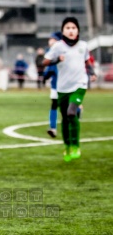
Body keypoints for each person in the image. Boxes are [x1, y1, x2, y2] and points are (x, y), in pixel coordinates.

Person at [43, 16, 96, 162]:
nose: (71, 31)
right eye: (68, 28)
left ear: (78, 30)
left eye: (74, 28)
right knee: (65, 118)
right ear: (63, 31)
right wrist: (56, 60)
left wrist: (92, 73)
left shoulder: (83, 45)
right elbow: (44, 62)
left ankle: (75, 146)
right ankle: (67, 145)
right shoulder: (58, 46)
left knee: (72, 112)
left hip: (79, 85)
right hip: (62, 87)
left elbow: (87, 62)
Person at [43, 31, 62, 137]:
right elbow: (49, 68)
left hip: (66, 84)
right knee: (54, 104)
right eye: (50, 39)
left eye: (53, 39)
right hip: (55, 84)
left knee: (68, 106)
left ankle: (78, 109)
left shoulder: (63, 52)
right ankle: (53, 128)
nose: (50, 41)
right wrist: (46, 75)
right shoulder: (49, 52)